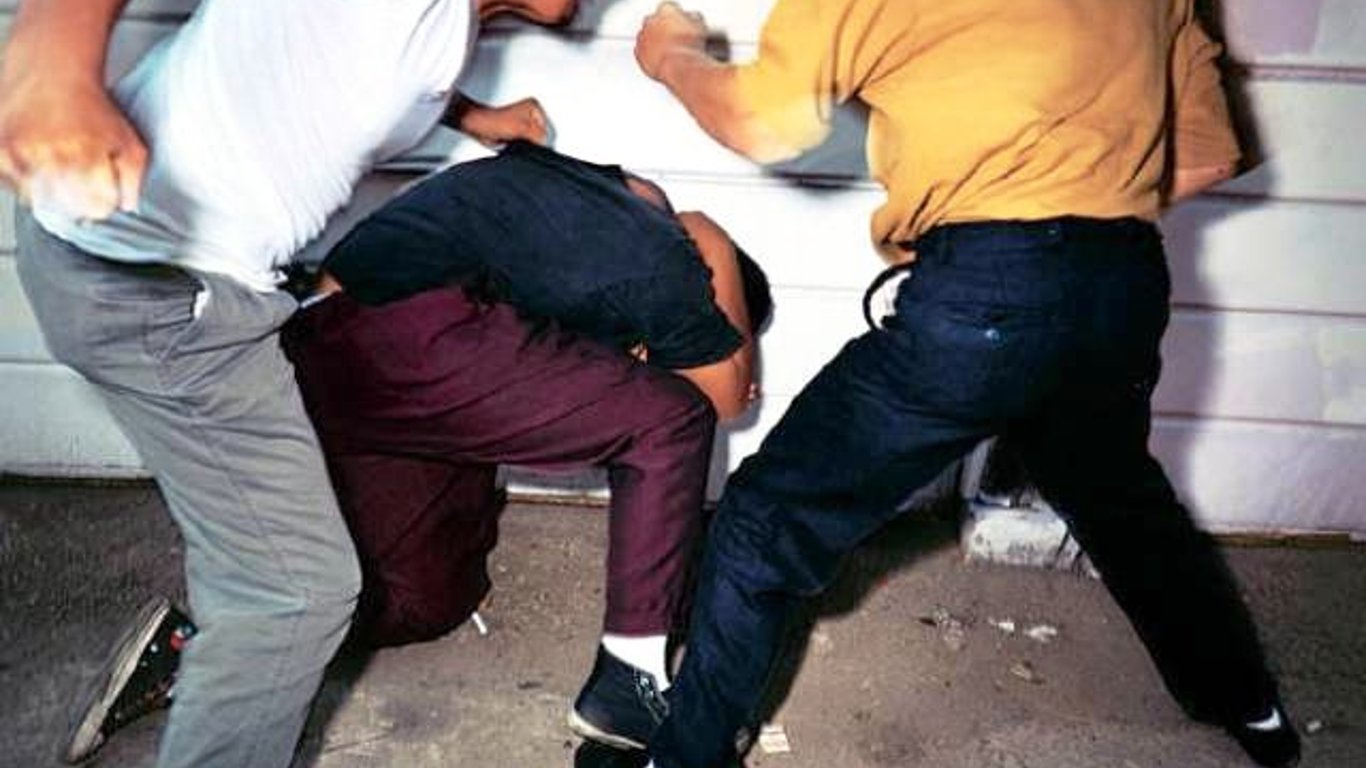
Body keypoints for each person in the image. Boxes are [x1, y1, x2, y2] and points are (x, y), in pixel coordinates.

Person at [606, 1, 1303, 767]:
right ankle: (1253, 711)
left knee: (766, 519)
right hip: (1121, 285)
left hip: (984, 289)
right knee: (1125, 508)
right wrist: (1069, 216)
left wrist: (672, 55)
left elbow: (762, 122)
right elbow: (1206, 157)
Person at [0, 1, 580, 766]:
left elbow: (365, 69)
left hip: (186, 285)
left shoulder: (454, 24)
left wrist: (473, 116)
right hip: (157, 291)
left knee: (281, 571)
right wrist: (50, 64)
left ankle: (200, 656)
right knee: (293, 594)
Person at [283, 140, 772, 751]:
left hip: (329, 355)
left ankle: (244, 628)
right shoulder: (664, 256)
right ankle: (628, 682)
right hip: (412, 332)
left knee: (424, 598)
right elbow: (726, 397)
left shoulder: (592, 202)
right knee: (672, 419)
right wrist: (714, 244)